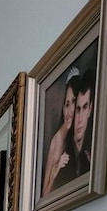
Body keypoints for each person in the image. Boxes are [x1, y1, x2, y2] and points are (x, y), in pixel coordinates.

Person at [54, 68, 95, 190]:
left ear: (90, 109)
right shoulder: (65, 156)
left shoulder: (89, 156)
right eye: (77, 109)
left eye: (84, 107)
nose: (80, 119)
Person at [42, 67, 79, 196]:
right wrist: (56, 170)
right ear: (63, 108)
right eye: (67, 104)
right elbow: (44, 194)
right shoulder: (57, 141)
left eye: (73, 102)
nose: (69, 111)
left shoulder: (76, 136)